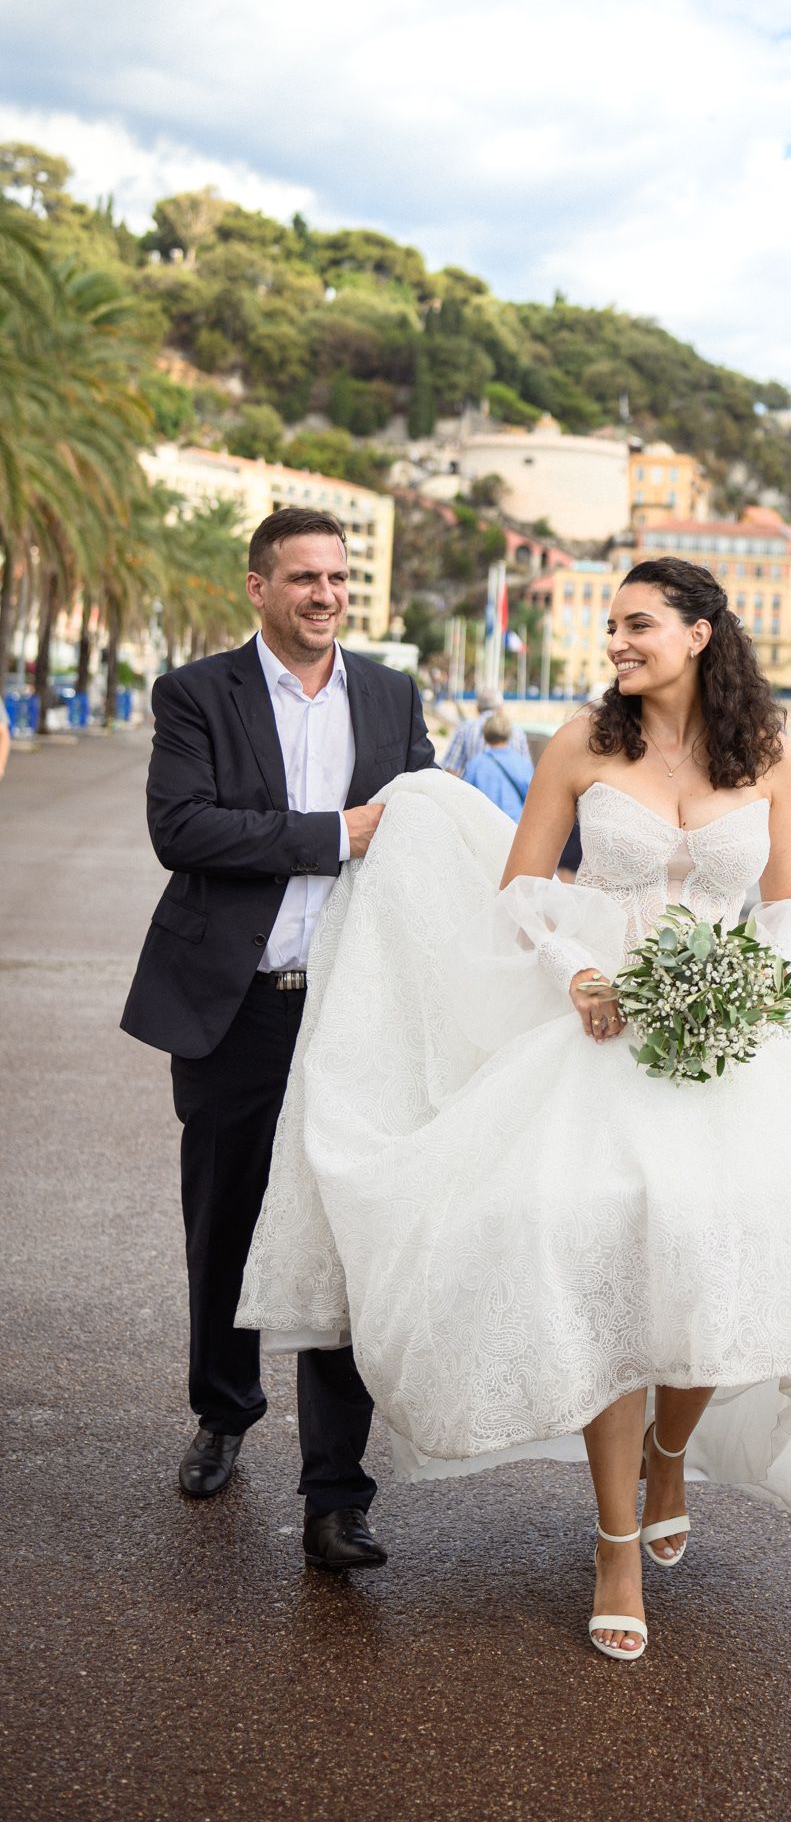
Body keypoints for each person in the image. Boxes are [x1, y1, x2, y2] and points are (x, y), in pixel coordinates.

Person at [240, 556, 791, 1663]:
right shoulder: (582, 744)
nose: (617, 642)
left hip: (728, 1054)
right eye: (612, 626)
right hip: (599, 1038)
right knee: (609, 1266)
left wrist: (755, 989)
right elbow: (519, 895)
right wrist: (574, 974)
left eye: (638, 624)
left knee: (731, 1256)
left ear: (698, 633)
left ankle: (673, 1450)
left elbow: (787, 912)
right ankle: (613, 1546)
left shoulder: (771, 755)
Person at [120, 507, 438, 1571]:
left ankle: (338, 1491)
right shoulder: (197, 692)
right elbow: (184, 827)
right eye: (301, 575)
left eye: (337, 576)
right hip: (237, 1002)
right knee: (225, 1220)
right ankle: (223, 1410)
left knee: (347, 1238)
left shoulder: (390, 694)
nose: (324, 593)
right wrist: (331, 837)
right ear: (256, 586)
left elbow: (426, 832)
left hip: (354, 1008)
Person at [442, 685, 530, 777]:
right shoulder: (517, 730)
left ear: (478, 708)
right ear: (501, 708)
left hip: (473, 789)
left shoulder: (465, 728)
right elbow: (526, 768)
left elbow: (451, 769)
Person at [462, 709, 533, 821]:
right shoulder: (522, 763)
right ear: (509, 734)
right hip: (514, 826)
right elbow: (532, 797)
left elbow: (466, 798)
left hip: (485, 825)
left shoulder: (475, 764)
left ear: (485, 734)